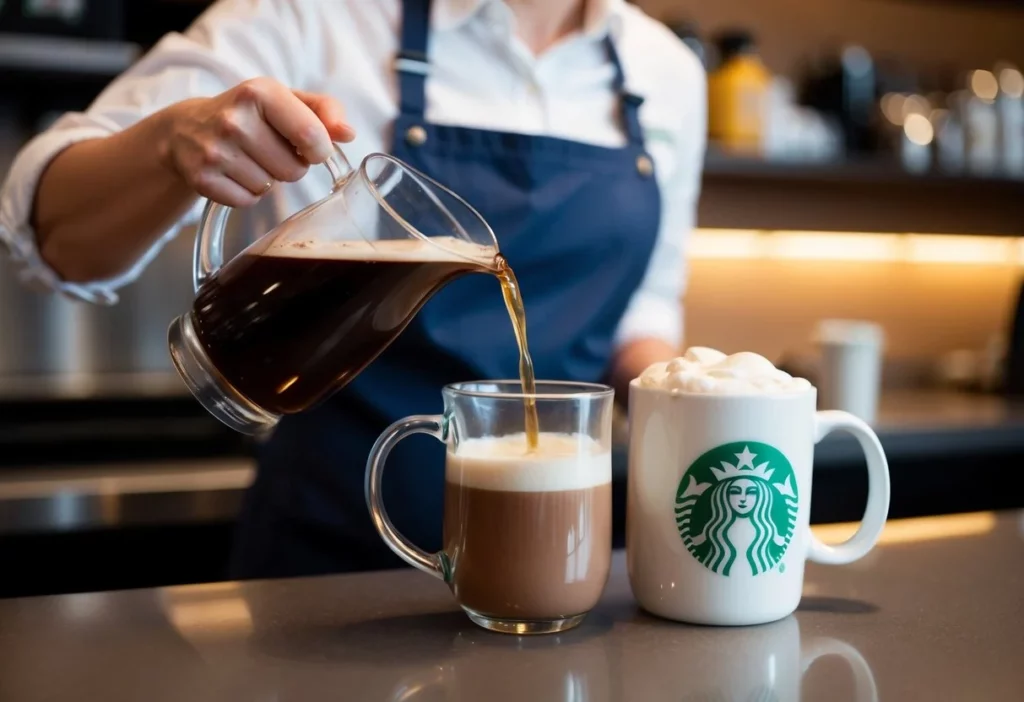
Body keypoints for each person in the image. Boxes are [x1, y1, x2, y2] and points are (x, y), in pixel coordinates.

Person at [0, 0, 706, 578]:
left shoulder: (667, 71)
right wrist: (168, 145)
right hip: (328, 553)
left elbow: (643, 310)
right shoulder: (314, 16)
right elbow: (50, 237)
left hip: (555, 558)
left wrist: (703, 399)